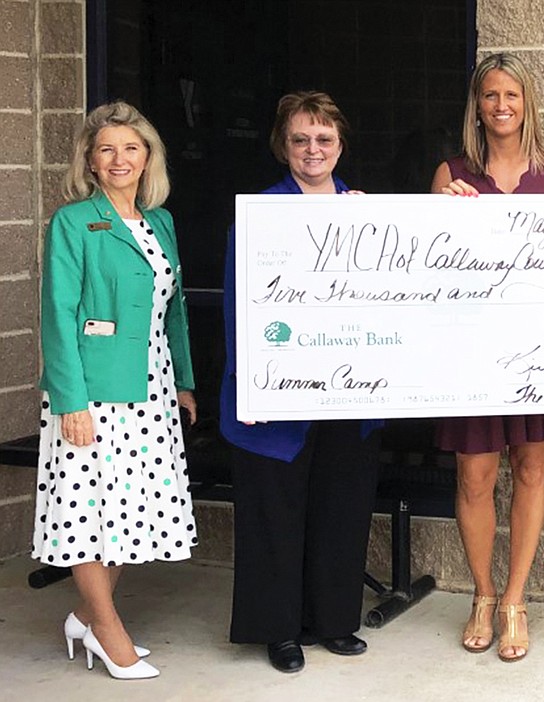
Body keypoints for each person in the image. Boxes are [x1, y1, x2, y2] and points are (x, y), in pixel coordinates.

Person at [431, 53, 544, 663]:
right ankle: (482, 594)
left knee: (531, 469)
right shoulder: (451, 172)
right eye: (490, 95)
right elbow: (427, 270)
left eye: (512, 95)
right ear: (478, 105)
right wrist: (443, 212)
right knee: (474, 475)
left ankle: (516, 600)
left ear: (528, 104)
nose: (501, 106)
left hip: (540, 351)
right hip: (471, 352)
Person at [32, 101, 198, 680]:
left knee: (130, 511)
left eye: (131, 147)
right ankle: (107, 629)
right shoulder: (74, 222)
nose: (120, 158)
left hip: (151, 386)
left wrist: (183, 381)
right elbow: (58, 314)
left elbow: (174, 311)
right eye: (107, 149)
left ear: (147, 157)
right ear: (91, 162)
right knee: (88, 509)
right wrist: (70, 401)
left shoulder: (161, 221)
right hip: (93, 390)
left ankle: (84, 616)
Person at [220, 91, 382, 674]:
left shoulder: (365, 211)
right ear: (283, 146)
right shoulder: (263, 212)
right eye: (300, 139)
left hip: (349, 387)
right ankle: (279, 630)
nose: (313, 149)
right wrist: (252, 382)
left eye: (324, 139)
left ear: (340, 145)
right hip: (279, 387)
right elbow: (242, 305)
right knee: (275, 511)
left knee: (341, 506)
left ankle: (334, 621)